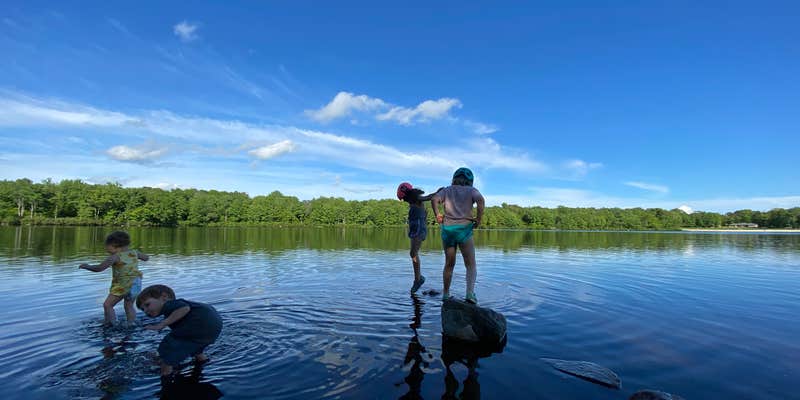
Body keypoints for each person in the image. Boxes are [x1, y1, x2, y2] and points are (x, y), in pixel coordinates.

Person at [136, 284, 223, 377]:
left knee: (168, 345)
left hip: (200, 322)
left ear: (164, 297)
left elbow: (185, 308)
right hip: (213, 326)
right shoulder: (171, 313)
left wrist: (161, 325)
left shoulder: (170, 304)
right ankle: (202, 359)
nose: (146, 311)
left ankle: (166, 373)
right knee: (193, 346)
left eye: (147, 305)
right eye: (143, 309)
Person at [431, 167, 485, 304]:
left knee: (449, 264)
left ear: (454, 178)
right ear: (470, 180)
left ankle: (446, 294)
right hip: (464, 230)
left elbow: (434, 199)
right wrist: (478, 219)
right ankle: (470, 294)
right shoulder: (472, 190)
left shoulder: (447, 190)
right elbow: (481, 200)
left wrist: (437, 214)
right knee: (470, 264)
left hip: (448, 230)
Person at [79, 230, 148, 325]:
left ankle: (110, 324)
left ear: (114, 245)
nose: (106, 249)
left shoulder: (115, 257)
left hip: (122, 285)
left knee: (108, 305)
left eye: (107, 246)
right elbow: (146, 258)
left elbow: (99, 268)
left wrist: (87, 266)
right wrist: (137, 256)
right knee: (129, 306)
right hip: (136, 283)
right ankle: (131, 324)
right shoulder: (134, 252)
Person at [397, 182, 441, 293]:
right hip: (414, 229)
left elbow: (429, 197)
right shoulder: (413, 201)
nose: (404, 201)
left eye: (404, 199)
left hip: (418, 230)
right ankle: (418, 278)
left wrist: (438, 192)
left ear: (407, 195)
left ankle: (418, 279)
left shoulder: (417, 199)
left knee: (413, 253)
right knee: (413, 253)